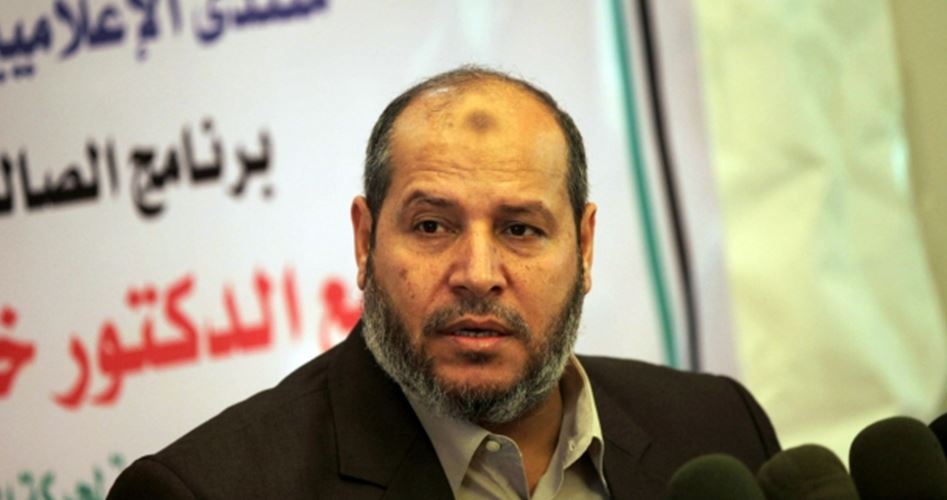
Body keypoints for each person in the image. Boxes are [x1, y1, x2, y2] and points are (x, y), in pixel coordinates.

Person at [108, 66, 780, 499]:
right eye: (431, 226)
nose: (477, 275)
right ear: (365, 241)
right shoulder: (207, 490)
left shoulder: (719, 428)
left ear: (584, 247)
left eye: (520, 229)